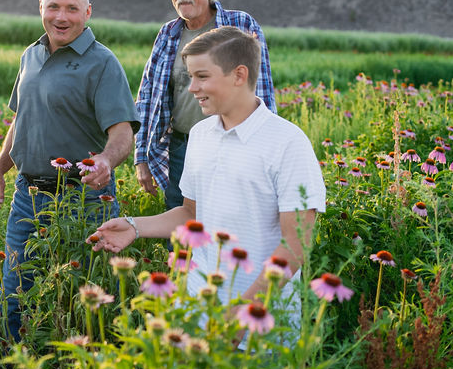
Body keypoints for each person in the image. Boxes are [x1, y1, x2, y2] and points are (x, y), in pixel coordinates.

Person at [92, 27, 325, 315]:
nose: (192, 88)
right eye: (191, 77)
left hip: (261, 323)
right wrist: (135, 226)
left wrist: (243, 310)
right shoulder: (201, 135)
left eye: (202, 76)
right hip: (198, 309)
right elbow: (191, 215)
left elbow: (296, 243)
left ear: (239, 75)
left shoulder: (288, 143)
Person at [0, 0, 140, 341]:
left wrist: (105, 160)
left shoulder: (102, 63)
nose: (62, 16)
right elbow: (20, 119)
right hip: (29, 197)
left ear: (87, 12)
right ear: (41, 8)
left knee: (85, 297)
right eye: (53, 6)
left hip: (83, 198)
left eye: (72, 8)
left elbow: (122, 132)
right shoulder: (30, 55)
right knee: (15, 294)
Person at [134, 0, 276, 213]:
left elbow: (262, 89)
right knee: (181, 222)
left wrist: (266, 149)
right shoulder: (168, 34)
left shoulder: (241, 25)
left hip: (231, 145)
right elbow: (147, 96)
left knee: (230, 217)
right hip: (182, 148)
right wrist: (141, 156)